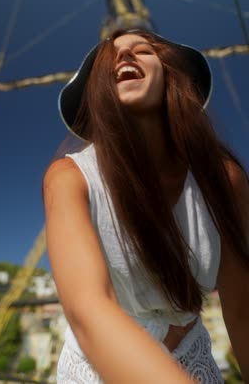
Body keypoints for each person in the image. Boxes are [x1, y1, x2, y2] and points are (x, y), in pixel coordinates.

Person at [43, 28, 249, 383]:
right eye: (111, 58)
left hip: (194, 362)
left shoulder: (222, 178)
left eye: (143, 50)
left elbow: (243, 306)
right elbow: (88, 310)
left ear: (171, 75)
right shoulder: (69, 177)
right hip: (100, 368)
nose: (124, 56)